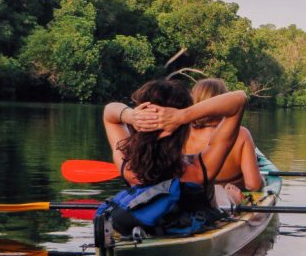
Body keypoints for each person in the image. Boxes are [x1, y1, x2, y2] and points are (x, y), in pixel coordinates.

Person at [102, 79, 247, 213]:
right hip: (196, 225)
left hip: (150, 226)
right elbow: (239, 99)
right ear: (184, 129)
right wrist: (183, 116)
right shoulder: (199, 172)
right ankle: (232, 198)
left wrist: (131, 115)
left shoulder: (128, 167)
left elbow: (109, 112)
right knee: (224, 193)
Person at [183, 78, 263, 201]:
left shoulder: (182, 134)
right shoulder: (241, 134)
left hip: (194, 198)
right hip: (229, 199)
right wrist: (262, 180)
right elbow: (253, 185)